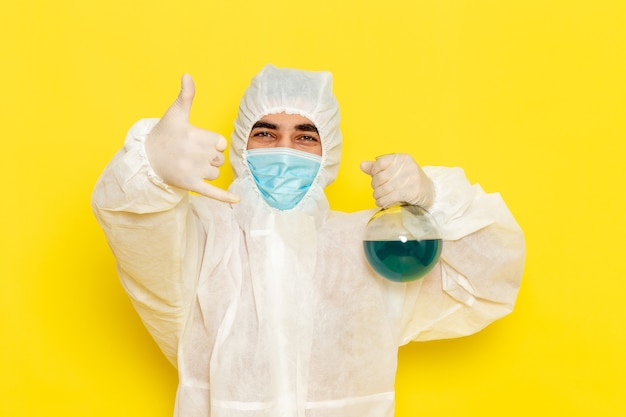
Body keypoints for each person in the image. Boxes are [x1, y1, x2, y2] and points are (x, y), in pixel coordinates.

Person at [92, 64, 525, 417]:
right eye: (265, 133)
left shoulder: (371, 244)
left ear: (328, 151)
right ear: (242, 146)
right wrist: (151, 170)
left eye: (305, 136)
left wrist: (432, 199)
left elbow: (489, 276)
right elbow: (138, 232)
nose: (285, 149)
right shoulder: (203, 234)